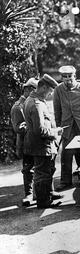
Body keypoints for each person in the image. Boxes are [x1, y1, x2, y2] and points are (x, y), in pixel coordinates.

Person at [23, 74, 64, 209]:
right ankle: (43, 201)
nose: (50, 94)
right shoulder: (36, 105)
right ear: (44, 87)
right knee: (42, 174)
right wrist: (55, 132)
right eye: (50, 91)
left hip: (39, 144)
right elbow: (40, 130)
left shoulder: (34, 100)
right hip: (40, 145)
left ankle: (48, 194)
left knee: (46, 171)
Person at [10, 77, 38, 206]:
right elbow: (18, 128)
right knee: (28, 168)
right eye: (34, 90)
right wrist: (34, 125)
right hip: (26, 143)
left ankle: (41, 192)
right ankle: (29, 194)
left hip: (36, 141)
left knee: (40, 167)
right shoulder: (18, 107)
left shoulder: (32, 103)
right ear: (27, 90)